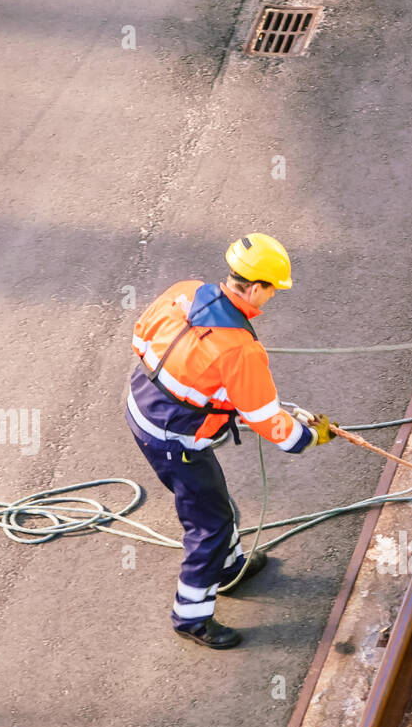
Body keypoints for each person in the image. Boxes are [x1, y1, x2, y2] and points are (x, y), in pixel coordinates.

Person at [126, 232, 331, 649]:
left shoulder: (182, 292)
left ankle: (230, 568)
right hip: (175, 440)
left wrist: (218, 397)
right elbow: (268, 422)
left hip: (141, 408)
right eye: (273, 290)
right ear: (256, 288)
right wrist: (308, 436)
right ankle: (192, 618)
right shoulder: (240, 350)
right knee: (210, 524)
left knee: (215, 500)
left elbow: (142, 339)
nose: (272, 298)